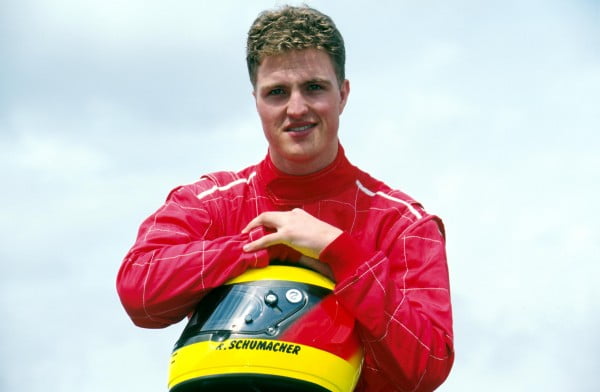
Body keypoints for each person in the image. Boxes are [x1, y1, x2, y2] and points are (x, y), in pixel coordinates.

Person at [117, 5, 454, 391]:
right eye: (277, 92)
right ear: (256, 101)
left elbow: (428, 367)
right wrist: (262, 248)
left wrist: (341, 253)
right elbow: (137, 291)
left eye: (314, 87)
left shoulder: (404, 224)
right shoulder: (209, 202)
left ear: (342, 94)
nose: (296, 108)